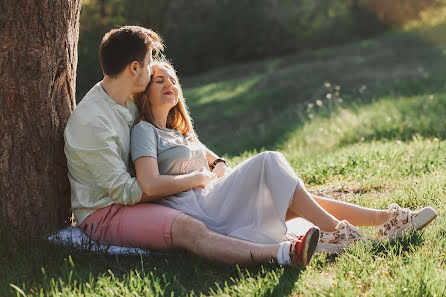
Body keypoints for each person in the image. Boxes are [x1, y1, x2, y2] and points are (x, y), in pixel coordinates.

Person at [64, 25, 318, 267]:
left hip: (140, 196)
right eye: (150, 60)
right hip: (106, 213)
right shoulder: (92, 122)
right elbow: (126, 193)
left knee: (260, 196)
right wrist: (194, 179)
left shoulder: (127, 98)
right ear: (133, 68)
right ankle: (284, 252)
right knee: (190, 227)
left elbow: (170, 135)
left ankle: (333, 227)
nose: (153, 67)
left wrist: (212, 163)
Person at [131, 60, 439, 255]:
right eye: (160, 80)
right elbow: (149, 183)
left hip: (215, 196)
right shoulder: (145, 131)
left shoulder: (180, 132)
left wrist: (220, 165)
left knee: (296, 194)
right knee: (268, 160)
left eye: (173, 80)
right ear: (145, 93)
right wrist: (199, 178)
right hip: (200, 210)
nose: (170, 84)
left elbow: (213, 158)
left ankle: (385, 219)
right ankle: (337, 232)